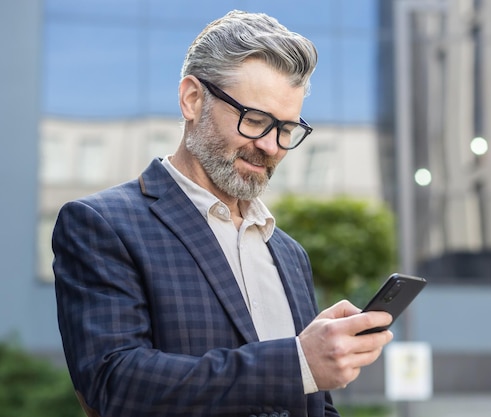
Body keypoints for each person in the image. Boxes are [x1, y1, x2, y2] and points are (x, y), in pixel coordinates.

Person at [53, 10, 393, 417]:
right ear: (192, 99)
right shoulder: (103, 225)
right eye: (255, 120)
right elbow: (115, 384)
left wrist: (312, 364)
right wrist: (299, 362)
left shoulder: (288, 253)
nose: (271, 146)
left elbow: (313, 406)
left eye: (286, 129)